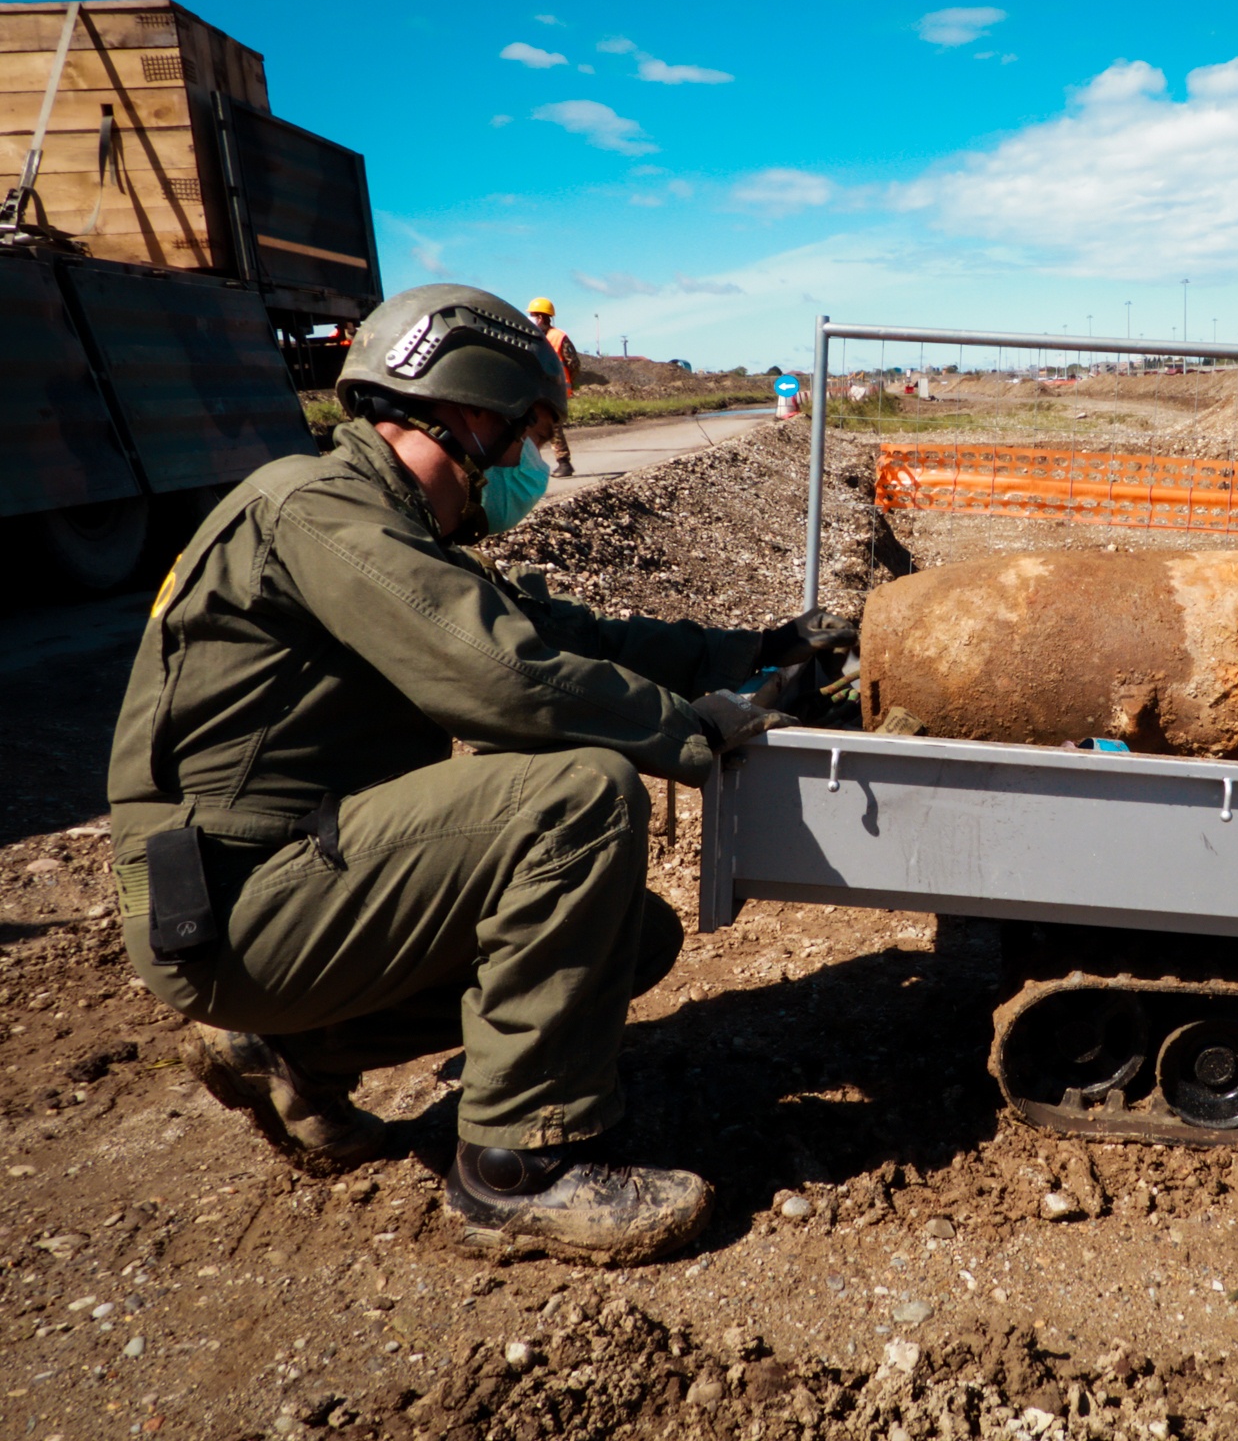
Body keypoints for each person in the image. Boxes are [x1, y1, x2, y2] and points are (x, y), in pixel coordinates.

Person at [107, 283, 855, 1264]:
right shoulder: (317, 511)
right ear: (462, 411)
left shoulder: (382, 521)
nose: (525, 464)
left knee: (627, 940)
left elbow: (556, 637)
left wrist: (743, 651)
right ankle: (514, 1172)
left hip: (285, 882)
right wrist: (699, 729)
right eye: (522, 433)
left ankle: (290, 1053)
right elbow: (502, 679)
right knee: (578, 799)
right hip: (234, 907)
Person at [526, 296, 580, 478]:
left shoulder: (558, 337)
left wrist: (566, 382)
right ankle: (532, 465)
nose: (531, 318)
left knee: (553, 426)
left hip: (555, 390)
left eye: (533, 315)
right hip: (538, 389)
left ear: (541, 318)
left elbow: (574, 364)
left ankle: (564, 463)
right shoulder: (533, 337)